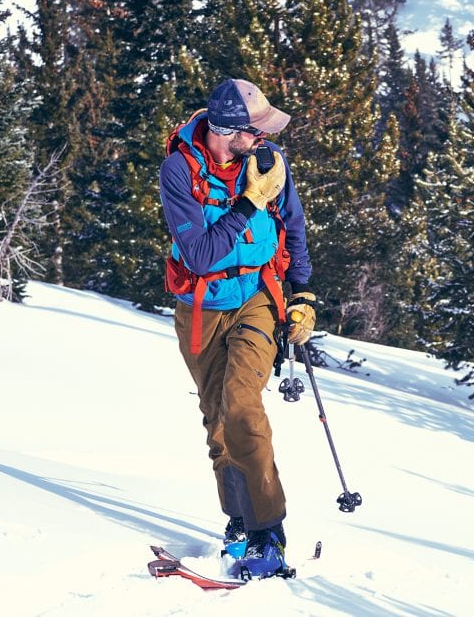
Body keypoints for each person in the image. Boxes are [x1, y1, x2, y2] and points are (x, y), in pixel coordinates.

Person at [158, 78, 316, 578]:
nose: (265, 139)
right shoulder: (179, 170)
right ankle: (240, 522)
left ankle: (270, 533)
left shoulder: (269, 163)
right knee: (217, 420)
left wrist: (304, 294)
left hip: (257, 297)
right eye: (256, 131)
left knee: (243, 407)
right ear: (229, 132)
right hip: (201, 307)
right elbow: (201, 255)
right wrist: (247, 203)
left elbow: (293, 226)